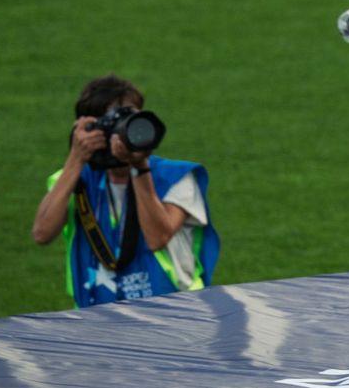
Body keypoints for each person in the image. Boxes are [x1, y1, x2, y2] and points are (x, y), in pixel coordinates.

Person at [32, 75, 220, 307]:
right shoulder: (74, 179)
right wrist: (76, 159)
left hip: (173, 315)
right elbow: (42, 233)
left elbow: (157, 238)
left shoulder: (176, 178)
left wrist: (139, 168)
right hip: (95, 320)